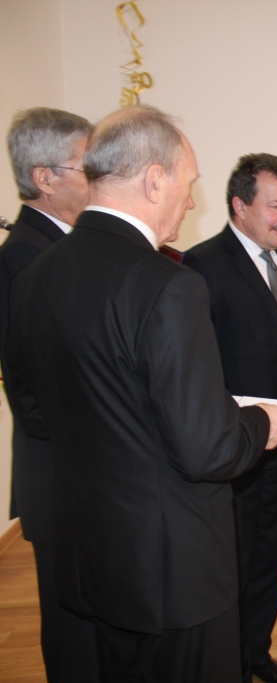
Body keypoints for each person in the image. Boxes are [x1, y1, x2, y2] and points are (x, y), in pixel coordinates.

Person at [3, 105, 277, 683]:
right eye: (188, 183)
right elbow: (207, 449)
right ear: (155, 179)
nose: (190, 201)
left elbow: (35, 409)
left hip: (87, 550)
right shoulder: (169, 285)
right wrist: (263, 421)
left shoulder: (35, 272)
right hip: (171, 568)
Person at [184, 153, 277, 683]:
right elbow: (199, 365)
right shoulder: (202, 265)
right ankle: (228, 664)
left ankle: (256, 653)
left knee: (270, 557)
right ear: (239, 205)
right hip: (235, 444)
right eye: (274, 205)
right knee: (233, 562)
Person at [0, 107, 99, 683]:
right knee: (72, 628)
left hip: (80, 475)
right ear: (44, 178)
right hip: (62, 475)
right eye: (87, 165)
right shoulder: (24, 259)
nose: (99, 177)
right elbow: (34, 392)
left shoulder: (62, 247)